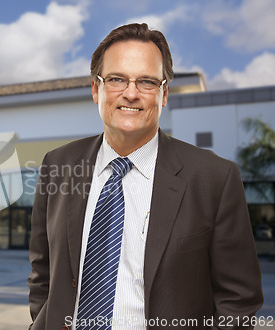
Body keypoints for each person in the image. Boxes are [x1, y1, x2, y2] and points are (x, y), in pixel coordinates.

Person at [27, 23, 263, 330]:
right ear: (96, 89)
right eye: (116, 79)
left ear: (164, 94)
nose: (131, 93)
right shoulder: (58, 164)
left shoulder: (214, 178)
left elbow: (238, 299)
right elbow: (41, 272)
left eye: (147, 82)